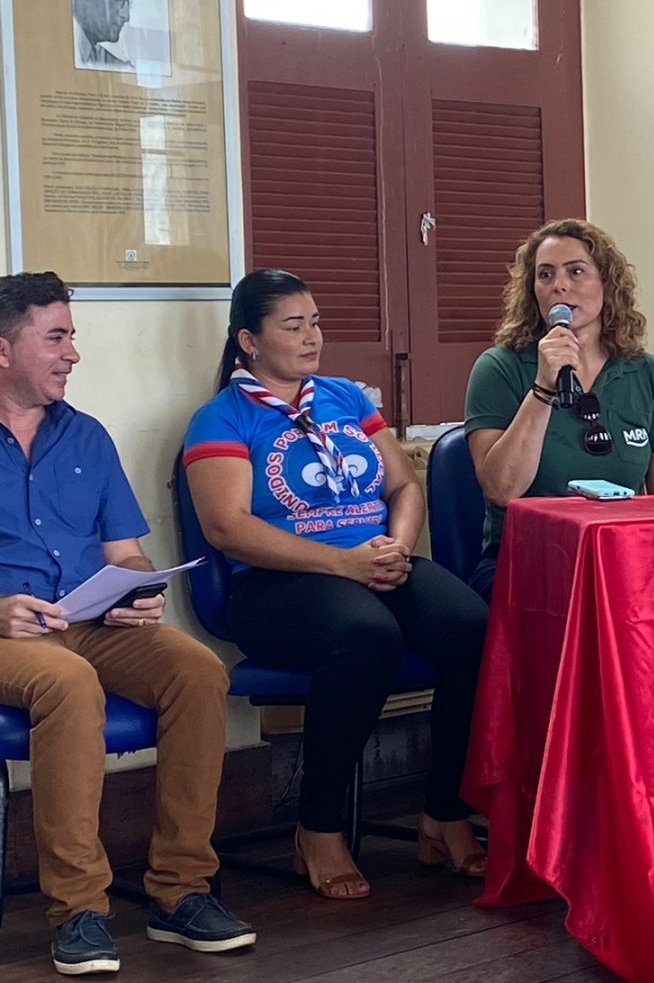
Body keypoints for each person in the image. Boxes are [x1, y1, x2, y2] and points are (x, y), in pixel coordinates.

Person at [183, 270, 489, 901]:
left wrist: (398, 548)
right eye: (293, 326)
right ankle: (317, 827)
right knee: (366, 636)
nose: (312, 336)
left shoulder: (346, 397)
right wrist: (346, 564)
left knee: (471, 625)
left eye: (316, 322)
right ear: (249, 340)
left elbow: (404, 487)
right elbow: (228, 530)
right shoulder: (221, 418)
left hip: (374, 561)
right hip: (275, 586)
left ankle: (443, 810)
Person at [0, 272, 254, 974]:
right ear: (3, 349)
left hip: (90, 620)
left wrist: (139, 588)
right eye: (56, 337)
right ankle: (79, 911)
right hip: (9, 635)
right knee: (69, 683)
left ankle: (179, 891)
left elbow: (126, 552)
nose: (73, 353)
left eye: (73, 336)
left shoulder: (86, 437)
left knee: (198, 671)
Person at [465, 218, 654, 598]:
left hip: (623, 558)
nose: (559, 285)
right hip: (527, 560)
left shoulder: (651, 375)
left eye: (576, 271)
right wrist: (543, 388)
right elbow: (502, 489)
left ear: (607, 284)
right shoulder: (499, 367)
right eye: (545, 275)